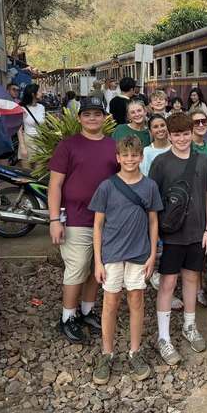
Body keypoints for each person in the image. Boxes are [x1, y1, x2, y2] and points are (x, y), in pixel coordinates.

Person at [90, 136, 163, 384]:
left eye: (135, 155)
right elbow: (98, 225)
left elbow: (154, 221)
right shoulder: (107, 186)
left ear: (141, 157)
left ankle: (135, 351)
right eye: (126, 155)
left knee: (136, 300)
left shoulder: (150, 186)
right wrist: (98, 261)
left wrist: (153, 254)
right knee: (110, 302)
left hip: (140, 253)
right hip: (111, 253)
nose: (130, 160)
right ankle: (107, 353)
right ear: (118, 158)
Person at [48, 96, 118, 343]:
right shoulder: (68, 146)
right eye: (87, 114)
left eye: (97, 114)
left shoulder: (113, 146)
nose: (92, 118)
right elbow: (55, 184)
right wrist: (54, 219)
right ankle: (67, 317)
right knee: (77, 268)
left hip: (107, 220)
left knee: (96, 270)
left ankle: (87, 311)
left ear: (104, 117)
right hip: (76, 218)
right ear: (79, 118)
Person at [150, 113, 207, 365]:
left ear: (192, 133)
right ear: (168, 135)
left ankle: (190, 325)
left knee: (191, 278)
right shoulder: (160, 162)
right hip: (171, 234)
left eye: (185, 133)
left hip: (197, 232)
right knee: (167, 283)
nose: (181, 139)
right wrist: (154, 237)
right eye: (176, 134)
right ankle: (164, 336)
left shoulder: (203, 161)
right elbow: (154, 201)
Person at [19, 84, 45, 168]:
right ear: (33, 94)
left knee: (39, 173)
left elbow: (43, 125)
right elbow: (19, 129)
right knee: (26, 173)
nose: (42, 93)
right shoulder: (22, 108)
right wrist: (22, 146)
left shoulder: (42, 107)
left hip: (40, 141)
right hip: (27, 141)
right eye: (40, 91)